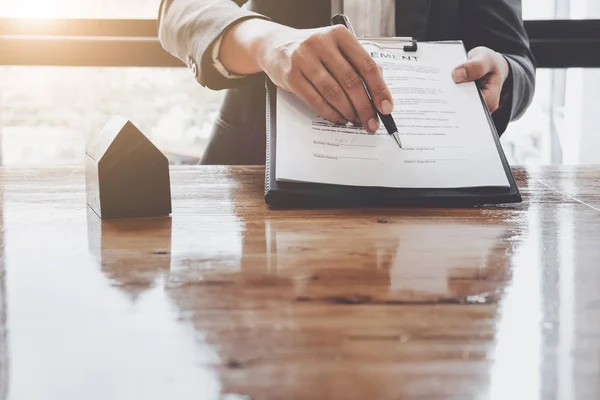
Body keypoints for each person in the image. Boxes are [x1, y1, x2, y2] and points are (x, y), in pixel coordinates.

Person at [158, 0, 536, 165]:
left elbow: (516, 63)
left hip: (433, 180)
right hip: (258, 169)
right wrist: (266, 42)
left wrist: (502, 71)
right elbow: (180, 8)